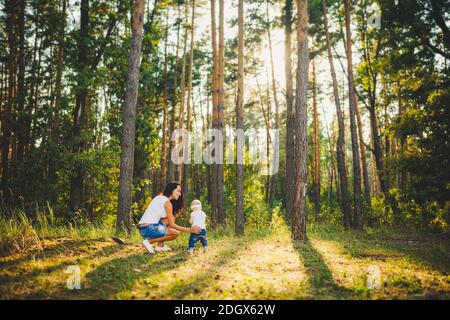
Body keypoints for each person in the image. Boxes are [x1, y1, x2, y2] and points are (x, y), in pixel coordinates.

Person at [137, 182, 200, 254]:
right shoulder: (167, 203)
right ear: (171, 190)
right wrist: (188, 230)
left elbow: (168, 222)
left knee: (167, 220)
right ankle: (149, 242)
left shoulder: (159, 197)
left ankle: (160, 246)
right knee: (175, 233)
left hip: (142, 229)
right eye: (178, 191)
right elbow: (172, 224)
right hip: (150, 229)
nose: (180, 194)